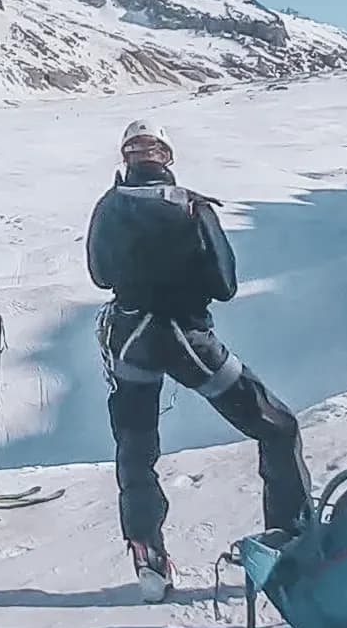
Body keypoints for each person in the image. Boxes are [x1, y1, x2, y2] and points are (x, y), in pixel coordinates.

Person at [85, 120, 310, 600]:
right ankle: (291, 538)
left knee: (136, 447)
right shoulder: (191, 205)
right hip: (188, 340)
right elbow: (225, 286)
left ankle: (149, 556)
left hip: (130, 340)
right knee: (276, 424)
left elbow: (100, 275)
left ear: (126, 157)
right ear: (166, 156)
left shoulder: (109, 207)